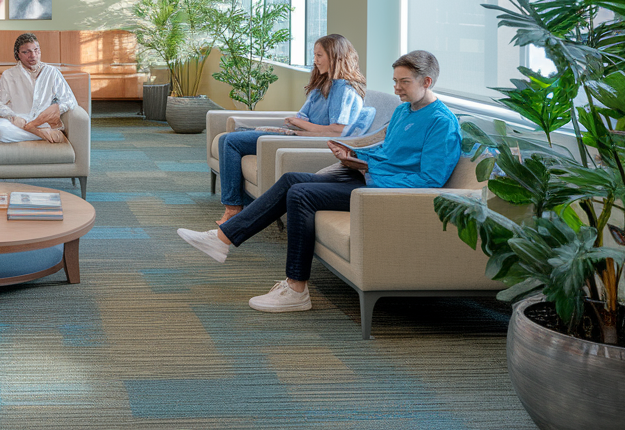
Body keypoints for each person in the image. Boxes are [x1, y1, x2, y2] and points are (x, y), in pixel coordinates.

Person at [178, 50, 461, 313]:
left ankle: (296, 289)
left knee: (302, 195)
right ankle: (223, 238)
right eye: (395, 81)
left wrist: (370, 170)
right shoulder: (403, 111)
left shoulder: (442, 122)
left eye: (404, 82)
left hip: (382, 192)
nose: (397, 88)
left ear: (427, 81)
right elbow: (387, 152)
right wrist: (353, 155)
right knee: (291, 180)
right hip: (369, 177)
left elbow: (430, 180)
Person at [214, 34, 370, 223]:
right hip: (298, 133)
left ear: (335, 56)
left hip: (306, 139)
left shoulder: (343, 89)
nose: (315, 61)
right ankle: (244, 204)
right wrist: (298, 122)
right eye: (315, 55)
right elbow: (301, 116)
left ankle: (233, 208)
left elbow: (337, 131)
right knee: (226, 138)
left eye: (319, 55)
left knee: (231, 141)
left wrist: (300, 125)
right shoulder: (323, 84)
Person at [0, 33, 77, 144]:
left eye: (36, 50)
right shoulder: (8, 75)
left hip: (45, 123)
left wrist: (52, 111)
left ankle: (33, 130)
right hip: (20, 122)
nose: (33, 55)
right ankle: (40, 134)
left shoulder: (51, 72)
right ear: (18, 55)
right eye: (26, 52)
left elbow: (70, 101)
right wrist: (12, 116)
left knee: (0, 135)